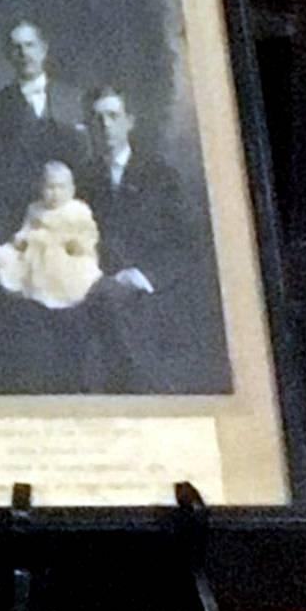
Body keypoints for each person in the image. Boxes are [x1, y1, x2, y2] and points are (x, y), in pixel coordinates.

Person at [77, 85, 233, 394]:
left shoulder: (161, 176)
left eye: (113, 116)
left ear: (129, 121)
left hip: (155, 299)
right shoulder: (81, 181)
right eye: (97, 118)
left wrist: (144, 276)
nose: (105, 125)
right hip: (98, 296)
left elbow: (190, 243)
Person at [0, 18, 87, 230]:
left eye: (30, 45)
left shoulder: (74, 98)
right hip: (20, 214)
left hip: (70, 212)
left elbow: (86, 158)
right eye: (16, 48)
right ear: (8, 55)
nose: (24, 54)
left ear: (44, 49)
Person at [0, 161, 103, 310]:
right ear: (41, 188)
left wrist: (78, 243)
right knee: (16, 265)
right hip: (35, 260)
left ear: (72, 189)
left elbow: (88, 234)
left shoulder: (77, 210)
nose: (55, 193)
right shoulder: (35, 209)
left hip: (66, 258)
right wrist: (22, 238)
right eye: (50, 187)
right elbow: (27, 227)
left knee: (68, 280)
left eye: (61, 187)